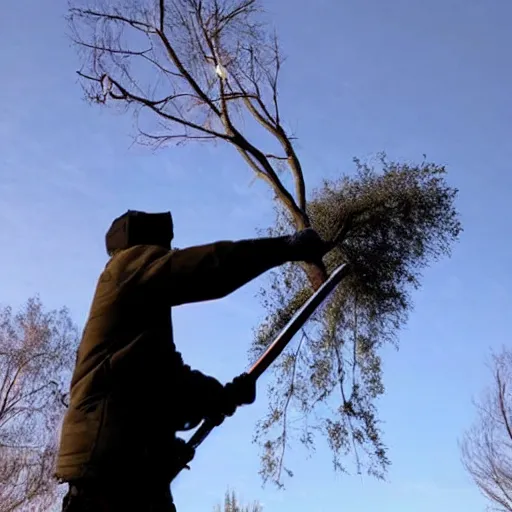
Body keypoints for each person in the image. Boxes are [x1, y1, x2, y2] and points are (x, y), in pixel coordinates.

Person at [55, 210, 332, 512]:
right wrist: (285, 248)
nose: (171, 254)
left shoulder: (139, 321)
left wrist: (222, 397)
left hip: (134, 473)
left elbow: (168, 380)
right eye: (166, 251)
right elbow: (211, 267)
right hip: (109, 472)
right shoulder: (127, 268)